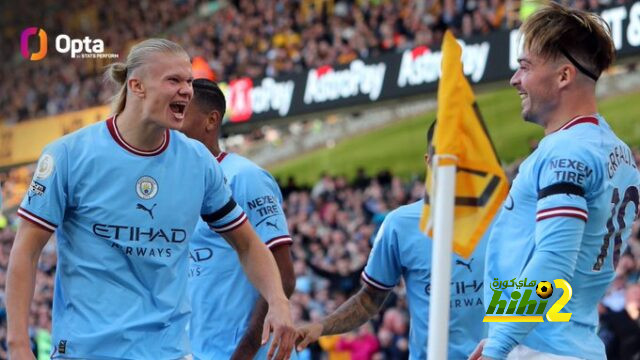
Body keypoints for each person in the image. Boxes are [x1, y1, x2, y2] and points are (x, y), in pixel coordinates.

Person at [6, 39, 296, 360]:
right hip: (86, 352)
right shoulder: (70, 155)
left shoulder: (197, 161)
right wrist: (18, 345)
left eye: (188, 81)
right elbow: (26, 251)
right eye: (174, 80)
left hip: (168, 352)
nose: (186, 90)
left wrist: (279, 303)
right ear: (137, 86)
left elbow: (249, 245)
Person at [469, 3, 640, 360]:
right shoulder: (615, 150)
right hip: (563, 340)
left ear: (564, 76)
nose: (515, 79)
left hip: (543, 348)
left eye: (525, 67)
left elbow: (554, 261)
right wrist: (504, 333)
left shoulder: (566, 152)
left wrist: (501, 345)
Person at [296, 124, 488, 359]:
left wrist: (502, 346)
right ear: (429, 161)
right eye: (446, 155)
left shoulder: (503, 215)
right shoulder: (400, 224)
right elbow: (369, 299)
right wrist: (321, 327)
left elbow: (523, 287)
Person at [180, 78, 297, 359]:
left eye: (182, 111)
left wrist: (243, 353)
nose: (172, 122)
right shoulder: (176, 187)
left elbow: (284, 276)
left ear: (211, 121)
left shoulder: (245, 177)